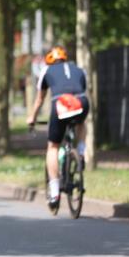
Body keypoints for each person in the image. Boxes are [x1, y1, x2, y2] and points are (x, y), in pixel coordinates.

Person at [26, 45, 89, 212]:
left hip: (61, 104)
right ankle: (81, 151)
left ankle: (54, 192)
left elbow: (40, 99)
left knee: (53, 146)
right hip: (81, 102)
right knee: (81, 123)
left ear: (49, 61)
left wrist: (32, 117)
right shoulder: (79, 69)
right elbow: (84, 89)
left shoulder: (46, 71)